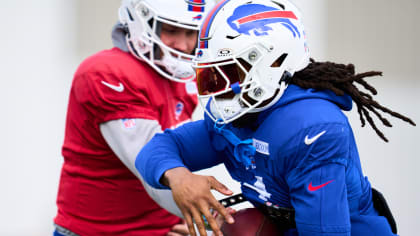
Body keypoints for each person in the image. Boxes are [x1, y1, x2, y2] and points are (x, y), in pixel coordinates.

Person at [135, 0, 417, 235]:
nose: (217, 89)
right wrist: (180, 177)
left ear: (271, 64)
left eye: (228, 73)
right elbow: (156, 150)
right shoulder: (240, 114)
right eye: (210, 76)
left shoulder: (312, 129)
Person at [53, 0, 216, 235]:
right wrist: (212, 219)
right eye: (170, 30)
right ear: (143, 23)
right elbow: (152, 166)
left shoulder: (182, 78)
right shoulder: (106, 72)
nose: (183, 45)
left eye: (191, 32)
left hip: (159, 228)